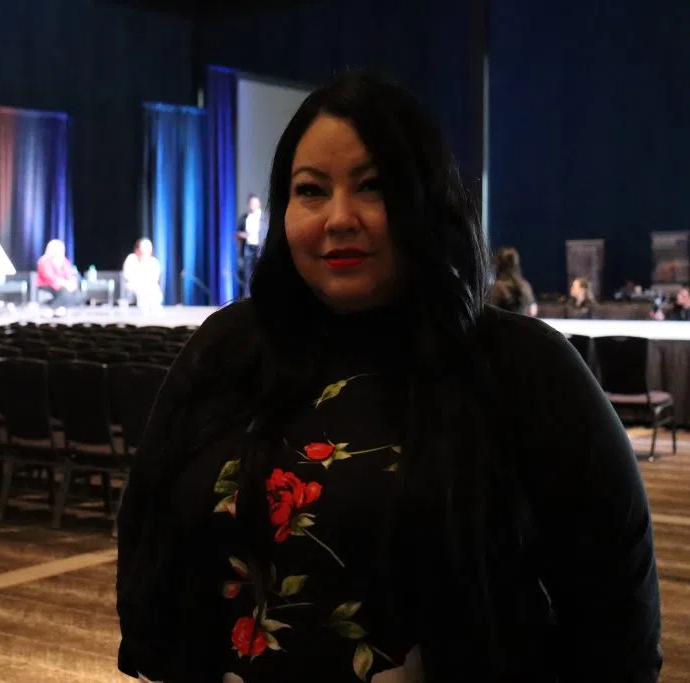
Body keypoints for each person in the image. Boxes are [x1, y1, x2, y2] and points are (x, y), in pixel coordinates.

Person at [117, 71, 661, 683]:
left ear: (427, 202)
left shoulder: (523, 368)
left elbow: (619, 613)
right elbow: (148, 518)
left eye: (373, 187)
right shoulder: (226, 348)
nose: (339, 218)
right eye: (311, 190)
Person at [35, 239, 86, 313]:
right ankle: (52, 309)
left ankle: (59, 308)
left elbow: (70, 275)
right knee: (66, 294)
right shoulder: (44, 261)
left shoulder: (64, 261)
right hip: (48, 285)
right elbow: (50, 277)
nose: (62, 251)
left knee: (81, 295)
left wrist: (71, 284)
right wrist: (65, 284)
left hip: (63, 285)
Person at [488, 247, 538, 316]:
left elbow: (490, 314)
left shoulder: (497, 288)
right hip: (524, 326)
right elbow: (533, 311)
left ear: (498, 265)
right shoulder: (525, 286)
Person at [236, 194, 266, 298]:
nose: (253, 205)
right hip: (248, 248)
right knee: (248, 275)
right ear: (249, 205)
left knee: (261, 275)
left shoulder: (265, 217)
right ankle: (247, 300)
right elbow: (238, 234)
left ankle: (261, 297)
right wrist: (241, 235)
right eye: (251, 203)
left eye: (255, 203)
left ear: (259, 204)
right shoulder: (244, 218)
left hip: (260, 249)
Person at [122, 238, 163, 310]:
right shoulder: (131, 259)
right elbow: (127, 275)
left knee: (152, 291)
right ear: (137, 249)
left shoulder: (154, 262)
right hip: (134, 287)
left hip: (149, 287)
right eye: (142, 250)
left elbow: (154, 279)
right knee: (140, 290)